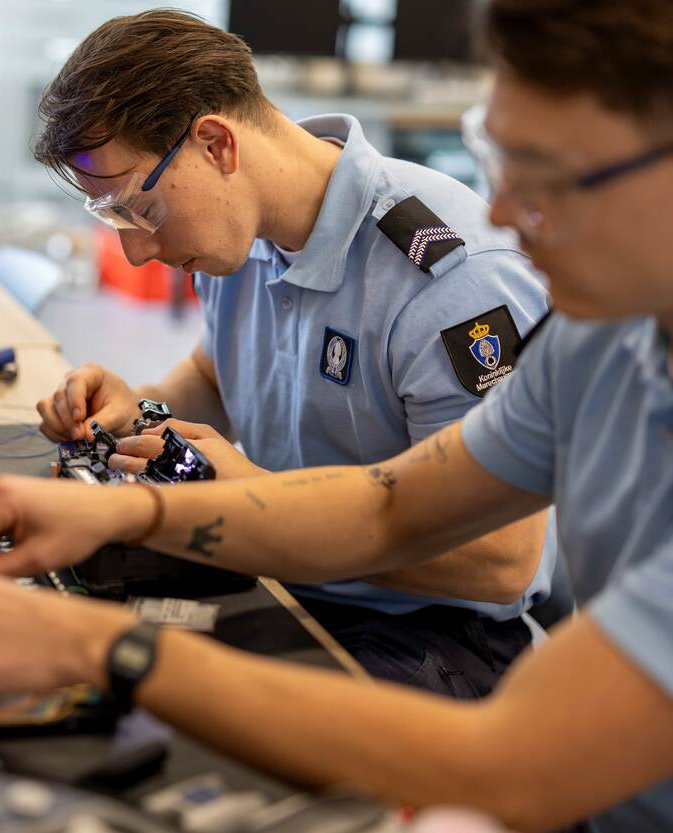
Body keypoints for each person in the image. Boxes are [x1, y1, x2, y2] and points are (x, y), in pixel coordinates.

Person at [0, 1, 673, 829]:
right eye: (498, 159)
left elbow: (508, 756)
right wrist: (122, 506)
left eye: (553, 178)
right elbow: (386, 507)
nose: (507, 216)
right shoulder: (606, 333)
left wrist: (106, 647)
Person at [30, 10, 557, 694]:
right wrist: (140, 410)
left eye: (141, 209)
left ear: (217, 145)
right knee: (74, 648)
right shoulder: (234, 233)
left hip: (432, 633)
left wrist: (254, 498)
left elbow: (499, 559)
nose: (136, 250)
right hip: (288, 577)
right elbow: (212, 375)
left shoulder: (449, 280)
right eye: (112, 218)